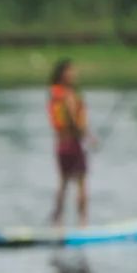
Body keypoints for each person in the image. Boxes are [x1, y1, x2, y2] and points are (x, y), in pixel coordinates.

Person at [48, 58, 95, 224]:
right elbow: (75, 121)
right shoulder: (68, 96)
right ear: (63, 74)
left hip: (60, 145)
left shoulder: (55, 94)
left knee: (63, 183)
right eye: (70, 71)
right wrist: (88, 137)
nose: (74, 74)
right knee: (81, 182)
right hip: (72, 144)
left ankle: (57, 220)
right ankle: (83, 222)